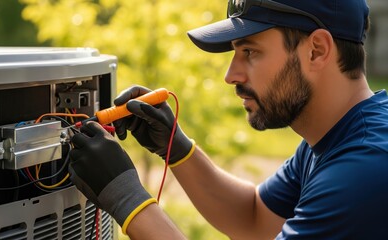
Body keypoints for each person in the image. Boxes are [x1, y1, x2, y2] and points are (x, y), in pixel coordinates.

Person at [68, 0, 388, 239]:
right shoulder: (337, 138)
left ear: (317, 50)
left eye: (250, 52)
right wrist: (175, 148)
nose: (230, 75)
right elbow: (254, 218)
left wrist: (126, 199)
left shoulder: (364, 172)